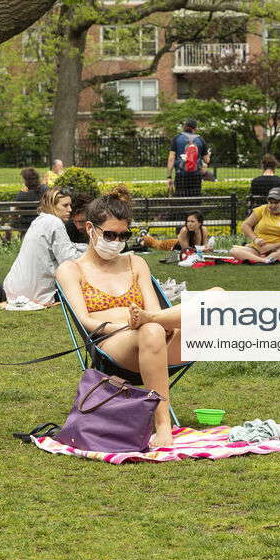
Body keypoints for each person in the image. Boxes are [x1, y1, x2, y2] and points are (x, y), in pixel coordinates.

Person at [56, 186, 221, 448]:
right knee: (151, 329)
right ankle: (163, 425)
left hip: (155, 338)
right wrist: (124, 326)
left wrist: (154, 320)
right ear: (90, 228)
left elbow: (156, 311)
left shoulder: (136, 263)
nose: (117, 241)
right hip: (113, 343)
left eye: (124, 235)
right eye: (110, 234)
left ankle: (150, 322)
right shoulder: (71, 269)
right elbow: (85, 320)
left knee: (218, 296)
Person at [2, 187, 86, 305]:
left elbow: (66, 246)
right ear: (52, 205)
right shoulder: (55, 223)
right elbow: (68, 259)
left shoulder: (39, 221)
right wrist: (91, 256)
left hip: (12, 290)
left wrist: (86, 248)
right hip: (35, 294)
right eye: (65, 205)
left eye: (70, 205)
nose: (70, 209)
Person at [231, 187, 280, 263]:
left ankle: (258, 259)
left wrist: (271, 247)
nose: (273, 206)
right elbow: (245, 225)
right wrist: (255, 239)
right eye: (270, 202)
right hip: (258, 248)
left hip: (278, 249)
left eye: (276, 203)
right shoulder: (262, 209)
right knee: (233, 251)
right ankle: (264, 260)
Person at [167, 119, 209, 197]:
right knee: (195, 198)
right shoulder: (200, 139)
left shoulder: (176, 138)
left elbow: (171, 159)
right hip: (196, 175)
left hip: (181, 175)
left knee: (181, 199)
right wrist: (209, 155)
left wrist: (169, 176)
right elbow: (206, 160)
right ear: (195, 128)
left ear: (184, 127)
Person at [11, 167, 47, 233]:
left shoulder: (22, 195)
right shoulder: (46, 190)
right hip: (42, 223)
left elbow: (14, 214)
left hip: (26, 225)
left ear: (26, 181)